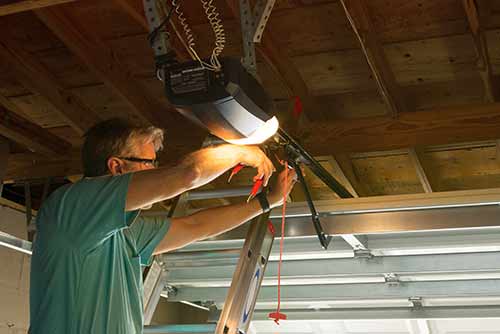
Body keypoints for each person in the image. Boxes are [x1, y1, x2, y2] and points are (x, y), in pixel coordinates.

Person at [29, 118, 296, 334]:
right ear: (117, 167)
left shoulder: (124, 231)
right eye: (150, 163)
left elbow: (195, 226)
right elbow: (187, 174)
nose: (156, 170)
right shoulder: (72, 208)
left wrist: (267, 202)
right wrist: (240, 151)